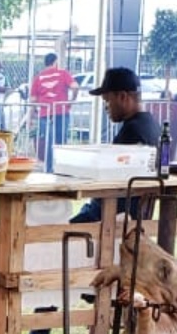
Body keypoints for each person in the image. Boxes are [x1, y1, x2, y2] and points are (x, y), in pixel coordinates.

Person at [71, 67, 161, 227]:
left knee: (50, 233)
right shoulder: (151, 125)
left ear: (123, 97)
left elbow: (109, 177)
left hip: (113, 216)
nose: (106, 108)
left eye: (107, 101)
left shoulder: (132, 131)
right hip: (130, 213)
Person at [29, 50, 76, 162]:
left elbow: (33, 100)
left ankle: (49, 167)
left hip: (45, 113)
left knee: (48, 141)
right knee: (61, 141)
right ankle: (61, 165)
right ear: (55, 62)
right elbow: (75, 86)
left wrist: (30, 117)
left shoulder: (38, 78)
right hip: (61, 111)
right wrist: (71, 101)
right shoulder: (63, 73)